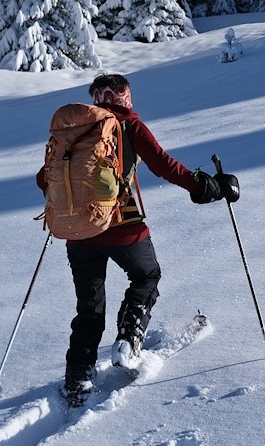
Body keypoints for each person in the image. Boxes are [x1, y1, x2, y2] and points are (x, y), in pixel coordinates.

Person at [37, 72, 238, 405]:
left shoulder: (74, 132)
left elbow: (43, 179)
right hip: (122, 226)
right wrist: (205, 187)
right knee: (147, 275)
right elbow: (164, 165)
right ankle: (129, 339)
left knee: (89, 307)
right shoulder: (129, 126)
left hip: (78, 233)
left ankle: (77, 379)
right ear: (125, 96)